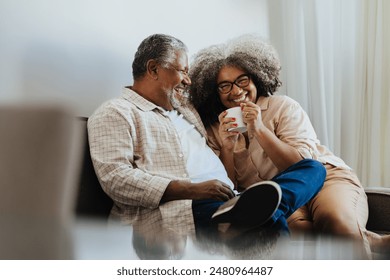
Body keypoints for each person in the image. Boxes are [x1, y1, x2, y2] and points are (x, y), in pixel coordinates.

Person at [87, 34, 325, 240]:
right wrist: (192, 190)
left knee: (314, 168)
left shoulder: (187, 110)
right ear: (153, 69)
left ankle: (253, 211)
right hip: (183, 208)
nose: (188, 80)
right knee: (266, 224)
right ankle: (252, 214)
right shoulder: (116, 113)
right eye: (182, 71)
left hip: (231, 198)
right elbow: (116, 179)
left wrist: (229, 145)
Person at [188, 34, 390, 255]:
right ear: (214, 92)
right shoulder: (215, 129)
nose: (236, 91)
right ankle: (369, 240)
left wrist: (260, 130)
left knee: (337, 223)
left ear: (256, 78)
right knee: (287, 231)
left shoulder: (283, 107)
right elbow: (228, 187)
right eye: (224, 86)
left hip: (324, 179)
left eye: (242, 80)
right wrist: (227, 148)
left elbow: (303, 166)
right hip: (280, 196)